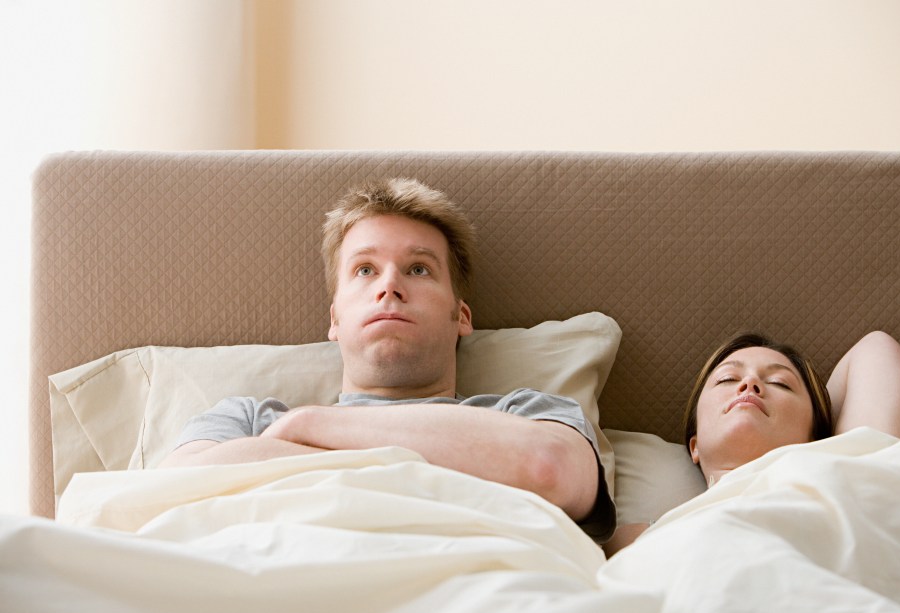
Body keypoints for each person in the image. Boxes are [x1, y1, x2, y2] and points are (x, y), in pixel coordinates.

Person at [159, 177, 616, 543]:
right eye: (365, 270)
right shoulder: (245, 418)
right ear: (335, 319)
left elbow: (549, 470)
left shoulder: (528, 415)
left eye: (419, 269)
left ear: (461, 316)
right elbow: (170, 494)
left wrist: (310, 429)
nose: (389, 286)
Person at [604, 330, 900, 555]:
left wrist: (822, 441)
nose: (748, 384)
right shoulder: (648, 537)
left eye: (780, 383)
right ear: (694, 446)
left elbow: (875, 348)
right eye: (727, 379)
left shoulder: (847, 476)